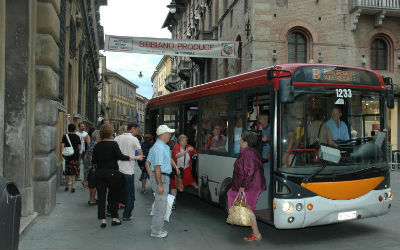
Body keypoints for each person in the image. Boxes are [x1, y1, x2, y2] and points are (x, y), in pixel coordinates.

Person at [92, 124, 138, 228]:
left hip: (100, 173)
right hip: (112, 173)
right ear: (110, 132)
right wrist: (134, 157)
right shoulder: (113, 144)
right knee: (114, 196)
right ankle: (114, 218)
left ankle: (103, 220)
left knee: (101, 196)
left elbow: (93, 160)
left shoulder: (97, 145)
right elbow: (120, 156)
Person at [227, 131, 266, 242]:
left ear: (245, 142)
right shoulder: (251, 151)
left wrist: (243, 185)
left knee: (248, 209)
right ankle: (236, 218)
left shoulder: (247, 153)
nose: (239, 141)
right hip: (252, 183)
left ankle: (256, 234)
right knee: (231, 194)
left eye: (241, 140)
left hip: (250, 185)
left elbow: (250, 170)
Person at [146, 125, 176, 238]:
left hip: (162, 177)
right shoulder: (159, 147)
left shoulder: (160, 146)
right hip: (162, 178)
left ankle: (158, 227)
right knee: (161, 205)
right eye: (169, 133)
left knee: (161, 204)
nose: (170, 135)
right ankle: (156, 231)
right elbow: (157, 167)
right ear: (163, 134)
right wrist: (159, 184)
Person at [114, 123, 143, 221]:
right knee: (129, 193)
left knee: (115, 192)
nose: (137, 132)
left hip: (117, 169)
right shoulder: (134, 139)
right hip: (128, 171)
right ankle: (127, 214)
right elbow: (140, 153)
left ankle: (110, 210)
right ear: (132, 129)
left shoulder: (117, 138)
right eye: (137, 130)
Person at [171, 135, 198, 209]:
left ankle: (198, 189)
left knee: (191, 180)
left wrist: (194, 154)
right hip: (177, 169)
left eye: (186, 140)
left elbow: (196, 153)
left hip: (186, 168)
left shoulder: (188, 146)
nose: (185, 141)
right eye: (183, 140)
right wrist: (187, 151)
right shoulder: (176, 146)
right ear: (179, 141)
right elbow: (177, 155)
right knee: (174, 187)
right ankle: (173, 203)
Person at [61, 123, 81, 193]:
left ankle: (66, 185)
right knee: (73, 172)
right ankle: (73, 186)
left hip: (67, 156)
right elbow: (79, 147)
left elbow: (62, 146)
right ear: (75, 129)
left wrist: (62, 154)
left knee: (67, 171)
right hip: (75, 156)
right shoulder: (77, 137)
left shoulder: (65, 136)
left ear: (68, 129)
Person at [82, 127, 97, 205]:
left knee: (91, 183)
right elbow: (91, 156)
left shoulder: (91, 143)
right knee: (94, 184)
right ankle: (92, 200)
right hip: (93, 166)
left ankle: (92, 198)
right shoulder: (95, 144)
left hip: (88, 165)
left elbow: (86, 154)